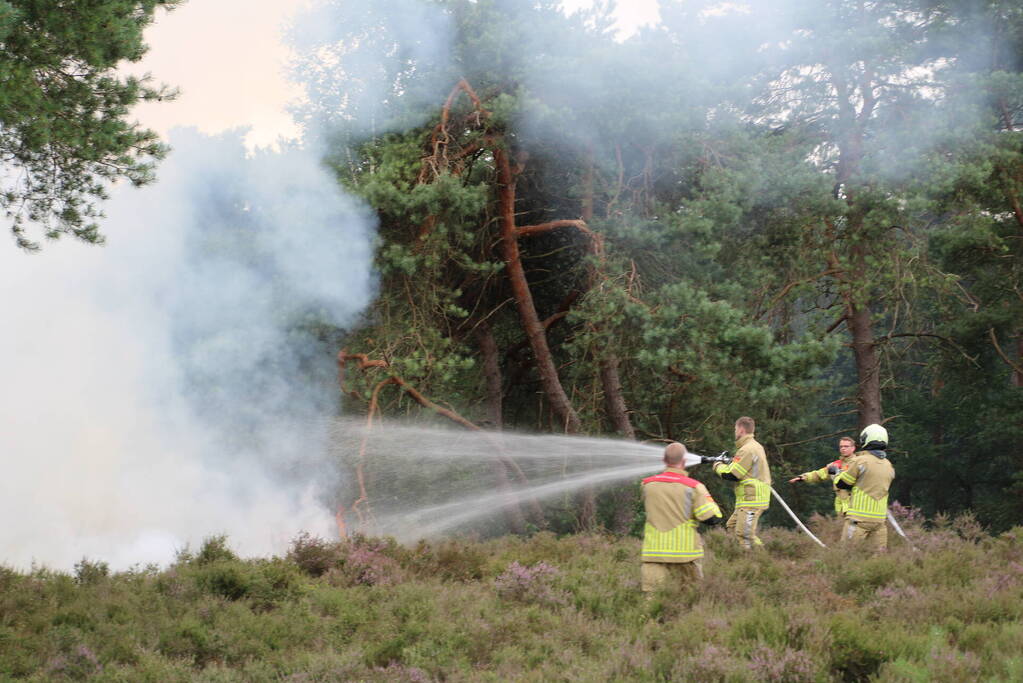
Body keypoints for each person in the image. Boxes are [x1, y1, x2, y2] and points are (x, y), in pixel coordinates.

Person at [640, 442, 722, 594]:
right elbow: (711, 517)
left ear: (664, 460)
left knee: (651, 601)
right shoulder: (694, 487)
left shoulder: (647, 484)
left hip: (654, 554)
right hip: (685, 555)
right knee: (690, 599)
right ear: (685, 461)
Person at [835, 423, 896, 551]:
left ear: (866, 440)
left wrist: (837, 473)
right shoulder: (888, 465)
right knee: (878, 559)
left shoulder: (861, 461)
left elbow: (842, 484)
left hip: (858, 519)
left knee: (846, 554)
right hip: (879, 521)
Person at [713, 416, 771, 549]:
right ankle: (739, 557)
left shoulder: (747, 449)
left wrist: (717, 465)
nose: (734, 432)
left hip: (752, 499)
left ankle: (762, 558)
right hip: (748, 499)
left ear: (741, 430)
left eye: (735, 429)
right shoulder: (754, 447)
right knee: (732, 527)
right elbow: (743, 469)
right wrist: (730, 462)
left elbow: (732, 474)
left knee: (744, 535)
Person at [788, 436, 857, 515]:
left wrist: (838, 473)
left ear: (853, 448)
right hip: (841, 509)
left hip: (855, 507)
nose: (843, 448)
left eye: (846, 446)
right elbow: (819, 474)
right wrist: (803, 477)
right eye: (841, 446)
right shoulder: (835, 464)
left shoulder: (859, 463)